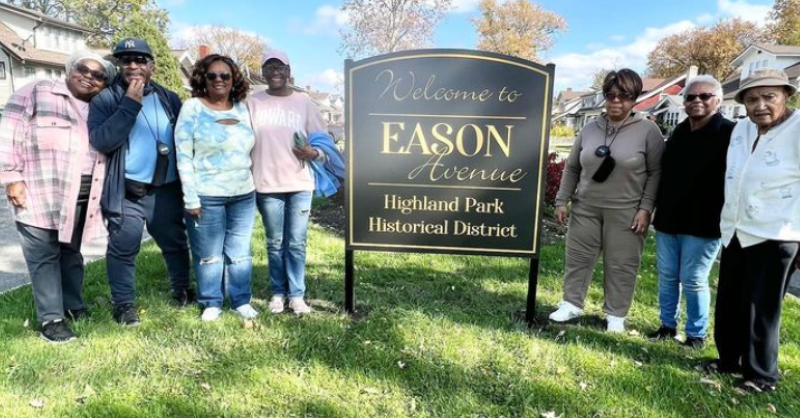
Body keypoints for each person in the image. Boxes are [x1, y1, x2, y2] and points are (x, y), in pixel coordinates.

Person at [0, 51, 115, 342]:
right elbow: (8, 133)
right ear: (70, 69)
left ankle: (74, 306)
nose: (90, 77)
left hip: (84, 194)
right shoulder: (37, 91)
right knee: (43, 255)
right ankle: (51, 320)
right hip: (41, 190)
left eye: (99, 75)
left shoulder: (101, 107)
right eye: (84, 69)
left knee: (71, 253)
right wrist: (11, 177)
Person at [549, 69, 664, 333]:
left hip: (626, 210)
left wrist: (646, 208)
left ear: (634, 98)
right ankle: (571, 303)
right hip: (586, 208)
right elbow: (573, 167)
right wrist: (562, 200)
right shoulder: (589, 129)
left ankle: (616, 314)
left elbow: (656, 172)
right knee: (577, 258)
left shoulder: (648, 131)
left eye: (623, 96)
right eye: (610, 95)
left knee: (622, 263)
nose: (616, 101)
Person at [88, 38, 193, 327]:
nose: (133, 66)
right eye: (126, 60)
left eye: (140, 60)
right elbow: (103, 140)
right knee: (124, 247)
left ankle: (182, 289)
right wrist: (129, 106)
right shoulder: (106, 99)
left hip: (167, 189)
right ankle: (124, 305)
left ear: (152, 65)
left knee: (175, 243)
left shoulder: (169, 97)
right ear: (118, 65)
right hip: (128, 190)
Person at [711, 68, 800, 393]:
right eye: (752, 99)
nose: (760, 105)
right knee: (731, 299)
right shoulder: (742, 130)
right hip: (736, 229)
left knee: (761, 307)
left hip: (778, 233)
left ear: (786, 96)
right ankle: (728, 360)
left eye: (769, 97)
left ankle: (761, 375)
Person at [647, 75, 735, 348]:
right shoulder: (679, 132)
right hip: (669, 220)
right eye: (690, 97)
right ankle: (667, 326)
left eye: (704, 96)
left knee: (695, 279)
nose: (697, 100)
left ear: (718, 101)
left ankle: (696, 334)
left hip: (705, 224)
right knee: (668, 276)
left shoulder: (730, 133)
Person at [175, 54, 258, 322]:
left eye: (225, 75)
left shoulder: (242, 108)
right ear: (203, 79)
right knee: (209, 254)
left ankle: (240, 300)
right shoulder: (192, 108)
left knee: (240, 252)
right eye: (212, 75)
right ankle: (212, 301)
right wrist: (190, 197)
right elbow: (183, 154)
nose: (219, 80)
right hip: (206, 195)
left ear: (234, 79)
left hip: (243, 193)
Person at [247, 50, 328, 315]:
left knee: (296, 242)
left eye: (280, 67)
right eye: (269, 67)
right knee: (274, 242)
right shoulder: (252, 102)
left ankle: (296, 295)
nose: (275, 72)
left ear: (288, 71)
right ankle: (277, 293)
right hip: (267, 184)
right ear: (263, 72)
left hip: (299, 183)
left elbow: (324, 141)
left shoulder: (304, 102)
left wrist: (314, 154)